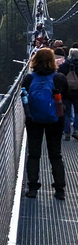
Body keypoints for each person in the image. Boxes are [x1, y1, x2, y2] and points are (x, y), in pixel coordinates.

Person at [22, 47, 68, 200]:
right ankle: (60, 190)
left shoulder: (29, 79)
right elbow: (66, 97)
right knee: (55, 154)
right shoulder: (59, 78)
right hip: (55, 120)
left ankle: (33, 188)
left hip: (33, 119)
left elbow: (24, 97)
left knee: (34, 154)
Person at [58, 47, 78, 140]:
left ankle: (66, 132)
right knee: (77, 112)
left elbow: (59, 77)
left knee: (67, 113)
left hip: (66, 92)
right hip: (77, 92)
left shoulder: (64, 65)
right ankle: (76, 130)